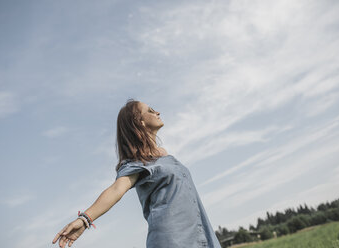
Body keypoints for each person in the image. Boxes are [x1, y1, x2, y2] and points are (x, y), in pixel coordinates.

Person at [52, 99, 222, 248]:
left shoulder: (164, 155)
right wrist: (85, 219)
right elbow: (117, 189)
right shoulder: (136, 162)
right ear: (139, 122)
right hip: (172, 240)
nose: (157, 112)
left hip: (201, 236)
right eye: (150, 110)